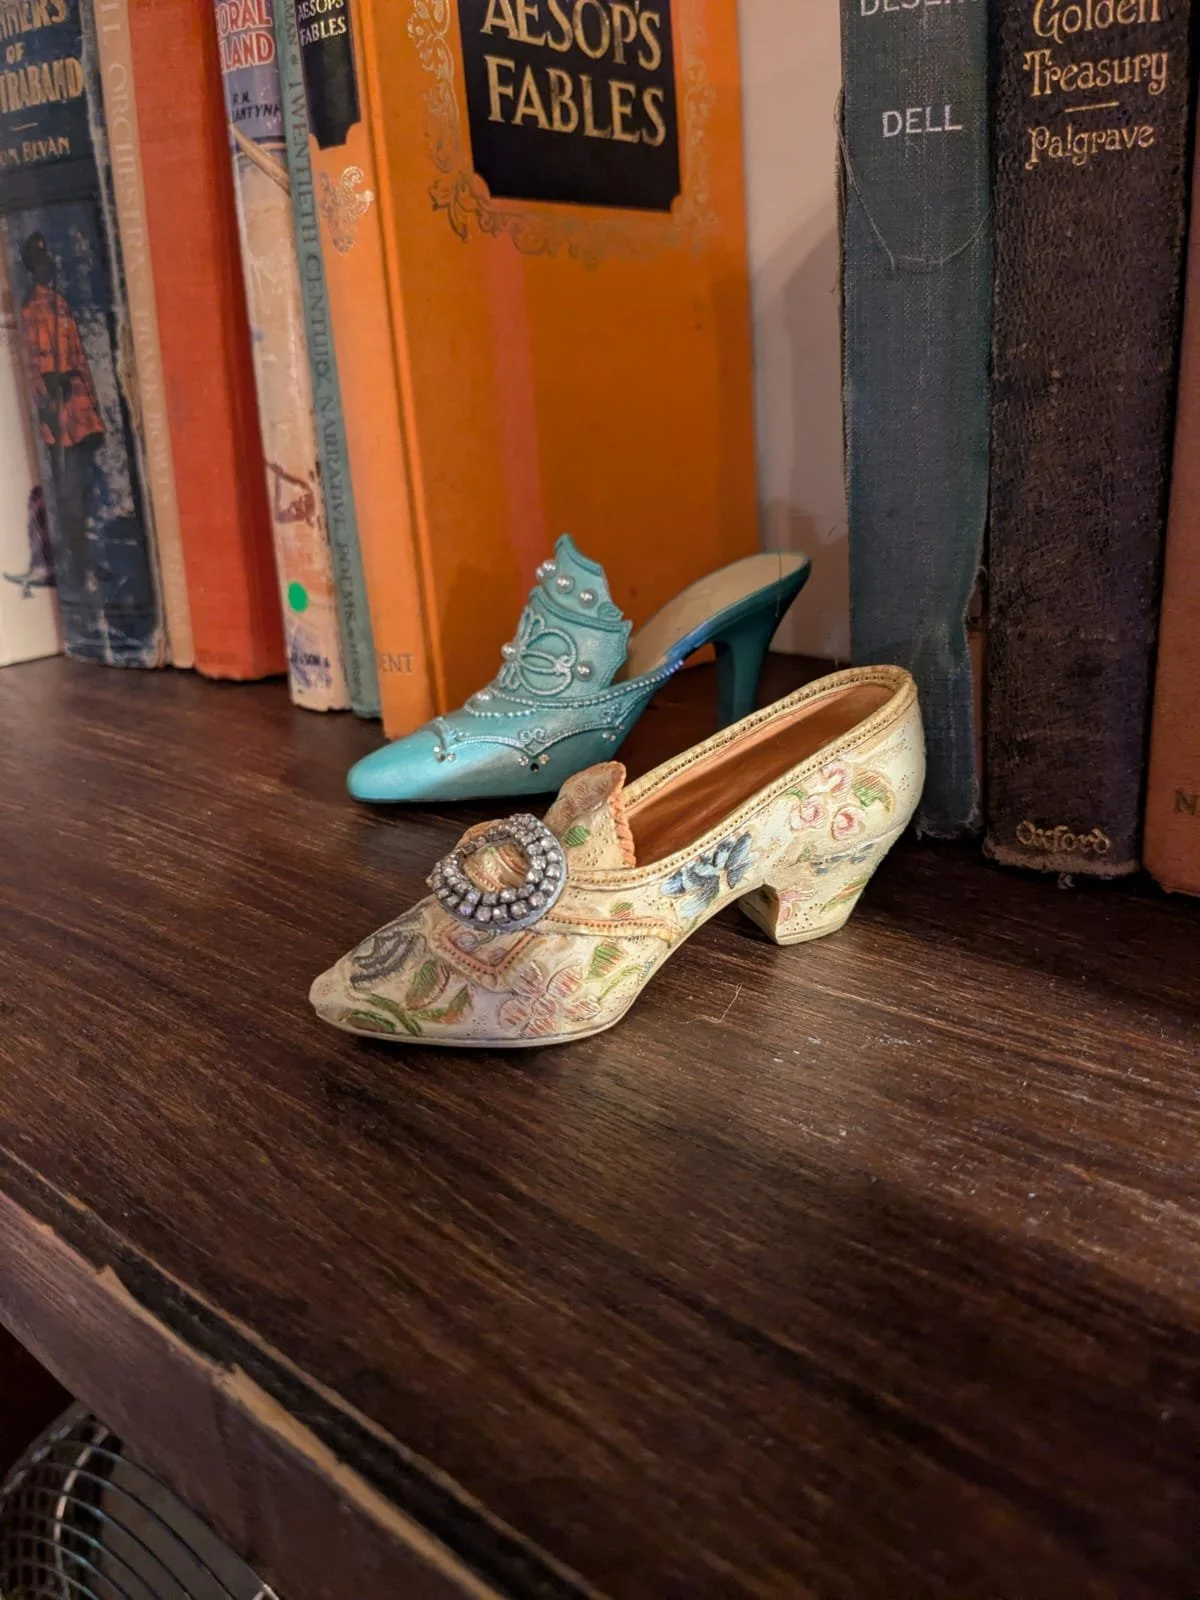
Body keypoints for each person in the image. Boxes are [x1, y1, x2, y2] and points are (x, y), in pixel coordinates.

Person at [17, 231, 104, 593]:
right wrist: (46, 395)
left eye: (47, 262)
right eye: (39, 263)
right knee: (66, 493)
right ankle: (74, 568)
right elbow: (31, 365)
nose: (47, 268)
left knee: (81, 490)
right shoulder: (28, 312)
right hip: (56, 413)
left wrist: (92, 403)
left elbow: (79, 356)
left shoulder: (60, 304)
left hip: (78, 409)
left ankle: (83, 563)